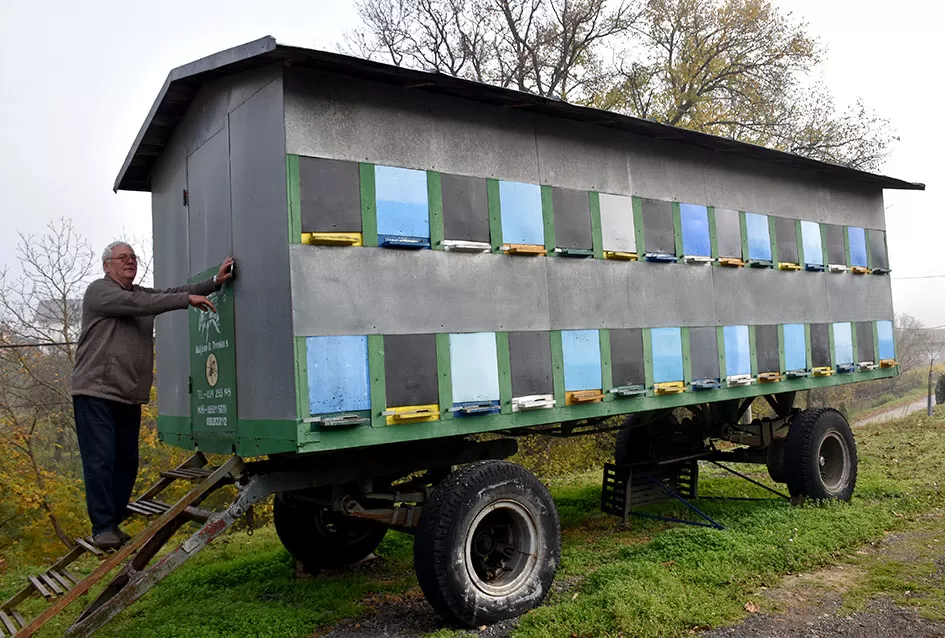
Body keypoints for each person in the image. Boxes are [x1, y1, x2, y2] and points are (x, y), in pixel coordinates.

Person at [70, 242, 235, 549]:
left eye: (133, 257)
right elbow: (142, 305)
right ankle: (102, 526)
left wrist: (214, 282)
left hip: (128, 395)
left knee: (127, 462)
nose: (130, 261)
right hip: (95, 392)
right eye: (123, 258)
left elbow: (167, 292)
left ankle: (113, 522)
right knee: (100, 460)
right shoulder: (99, 292)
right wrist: (186, 300)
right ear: (108, 266)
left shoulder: (140, 294)